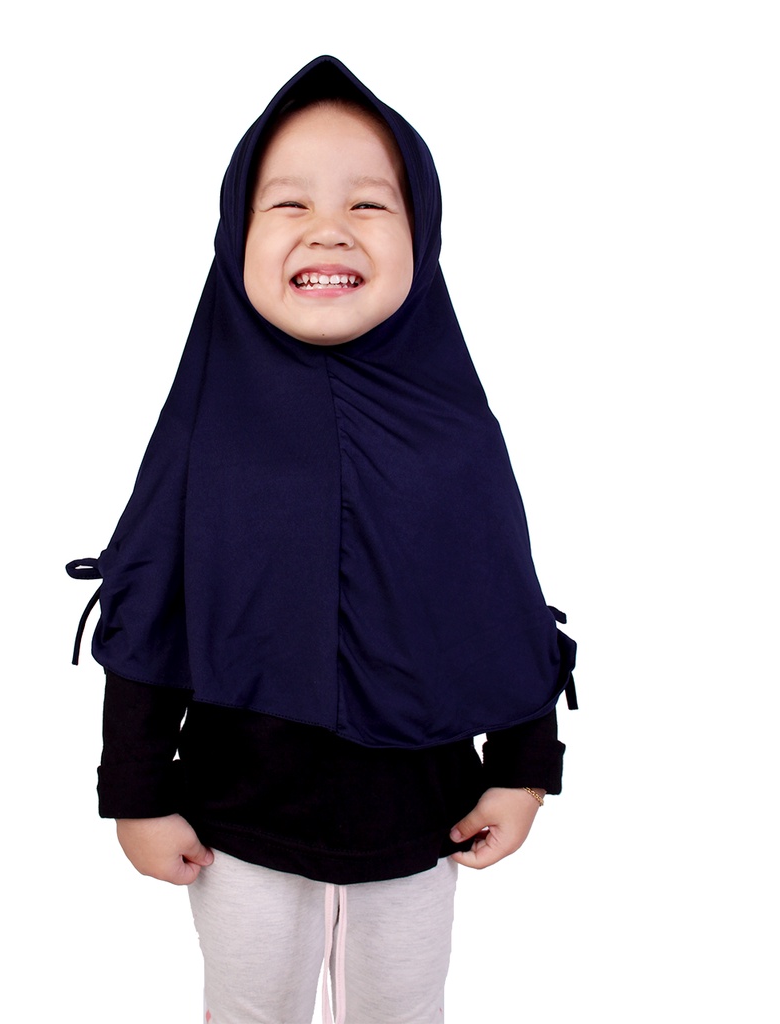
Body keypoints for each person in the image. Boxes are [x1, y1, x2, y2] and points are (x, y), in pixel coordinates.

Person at [67, 54, 576, 1024]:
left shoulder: (455, 432)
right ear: (236, 235)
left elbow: (500, 601)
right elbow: (151, 611)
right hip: (238, 824)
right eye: (288, 203)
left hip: (419, 821)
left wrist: (522, 768)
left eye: (369, 204)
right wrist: (135, 790)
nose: (328, 227)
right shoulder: (206, 430)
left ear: (423, 235)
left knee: (403, 1008)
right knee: (249, 1009)